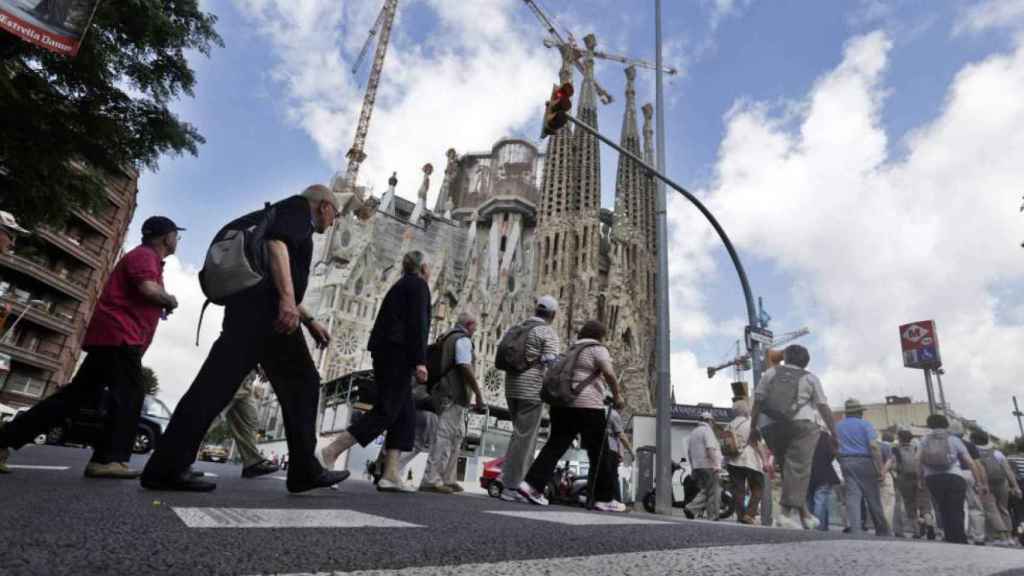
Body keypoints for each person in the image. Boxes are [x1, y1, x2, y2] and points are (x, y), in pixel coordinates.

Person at [141, 186, 346, 493]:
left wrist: (309, 319)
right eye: (336, 216)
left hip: (252, 312)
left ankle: (165, 466)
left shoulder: (281, 213)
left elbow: (270, 271)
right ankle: (304, 469)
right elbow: (277, 246)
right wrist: (289, 302)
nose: (333, 224)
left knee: (215, 387)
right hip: (266, 317)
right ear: (325, 207)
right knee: (301, 384)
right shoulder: (297, 210)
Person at [0, 216, 181, 478]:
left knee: (74, 398)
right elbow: (149, 290)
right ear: (167, 237)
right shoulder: (145, 256)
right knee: (131, 395)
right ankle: (109, 459)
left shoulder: (148, 258)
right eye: (177, 236)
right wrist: (170, 300)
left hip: (112, 337)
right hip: (119, 336)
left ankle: (5, 440)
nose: (177, 241)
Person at [317, 250, 432, 490]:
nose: (430, 272)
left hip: (386, 352)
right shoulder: (418, 286)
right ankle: (331, 451)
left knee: (404, 414)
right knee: (387, 410)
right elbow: (418, 326)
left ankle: (390, 473)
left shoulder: (400, 285)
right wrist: (420, 361)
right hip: (398, 354)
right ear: (422, 268)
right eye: (429, 267)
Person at [517, 320, 626, 513]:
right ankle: (604, 498)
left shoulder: (571, 349)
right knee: (600, 453)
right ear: (600, 336)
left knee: (554, 446)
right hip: (588, 406)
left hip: (562, 405)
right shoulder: (597, 349)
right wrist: (617, 396)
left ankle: (530, 486)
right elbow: (609, 373)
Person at [749, 345, 838, 530]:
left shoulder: (771, 373)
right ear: (806, 362)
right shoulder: (810, 378)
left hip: (770, 426)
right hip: (802, 425)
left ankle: (805, 515)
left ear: (786, 358)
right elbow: (823, 407)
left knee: (789, 468)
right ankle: (784, 514)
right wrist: (834, 433)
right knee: (799, 469)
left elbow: (757, 400)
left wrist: (753, 427)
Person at [498, 296, 561, 503]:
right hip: (531, 391)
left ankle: (507, 478)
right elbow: (553, 365)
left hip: (511, 388)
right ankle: (512, 487)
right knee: (525, 439)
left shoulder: (519, 327)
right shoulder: (547, 332)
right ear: (552, 315)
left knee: (519, 436)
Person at [418, 312, 484, 494]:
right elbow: (464, 365)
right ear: (469, 324)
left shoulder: (449, 337)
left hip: (456, 396)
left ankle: (448, 477)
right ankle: (431, 479)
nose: (476, 330)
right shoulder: (461, 340)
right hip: (452, 394)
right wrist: (478, 392)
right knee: (444, 436)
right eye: (475, 327)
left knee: (457, 436)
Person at [918, 414, 984, 544]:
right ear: (945, 424)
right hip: (954, 476)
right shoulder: (953, 439)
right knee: (957, 509)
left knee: (943, 509)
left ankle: (950, 538)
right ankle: (960, 539)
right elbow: (970, 461)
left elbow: (917, 460)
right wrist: (979, 481)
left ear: (929, 425)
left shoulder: (924, 440)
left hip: (932, 478)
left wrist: (920, 478)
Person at [835, 399, 890, 536]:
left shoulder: (838, 426)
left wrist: (841, 459)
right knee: (872, 496)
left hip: (846, 461)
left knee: (852, 497)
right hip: (864, 461)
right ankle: (882, 530)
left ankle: (855, 529)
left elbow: (834, 446)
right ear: (859, 412)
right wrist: (880, 468)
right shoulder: (866, 425)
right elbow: (873, 447)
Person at [221, 369, 279, 479]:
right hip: (236, 372)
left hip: (248, 381)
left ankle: (252, 463)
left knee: (250, 420)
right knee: (214, 415)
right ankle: (180, 457)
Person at [972, 429, 1022, 547]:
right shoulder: (997, 452)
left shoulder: (975, 453)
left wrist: (980, 484)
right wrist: (1015, 486)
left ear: (974, 440)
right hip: (1002, 483)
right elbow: (1008, 470)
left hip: (986, 484)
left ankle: (1002, 537)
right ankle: (1010, 538)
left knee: (991, 510)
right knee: (1003, 509)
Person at [725, 398, 767, 524]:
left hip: (733, 461)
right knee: (758, 487)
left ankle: (741, 515)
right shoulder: (750, 424)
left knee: (738, 489)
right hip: (750, 460)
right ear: (746, 411)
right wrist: (764, 461)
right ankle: (749, 514)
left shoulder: (728, 426)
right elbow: (758, 444)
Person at [892, 427, 935, 539]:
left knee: (910, 505)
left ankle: (917, 532)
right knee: (925, 505)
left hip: (905, 480)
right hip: (921, 478)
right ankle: (930, 526)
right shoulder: (917, 448)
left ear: (900, 439)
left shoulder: (895, 450)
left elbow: (894, 465)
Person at [686, 412, 724, 520]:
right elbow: (710, 449)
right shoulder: (707, 431)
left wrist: (693, 467)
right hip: (708, 465)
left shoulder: (694, 432)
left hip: (697, 466)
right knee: (714, 490)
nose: (713, 424)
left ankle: (691, 509)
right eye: (712, 422)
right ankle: (712, 515)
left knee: (705, 490)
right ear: (710, 421)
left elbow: (689, 452)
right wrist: (717, 464)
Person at [956, 427, 990, 544]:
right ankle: (979, 536)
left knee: (955, 508)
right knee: (974, 506)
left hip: (951, 475)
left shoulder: (946, 444)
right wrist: (982, 483)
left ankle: (957, 534)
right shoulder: (970, 445)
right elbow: (978, 465)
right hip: (968, 474)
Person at [806, 425, 841, 531]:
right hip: (823, 472)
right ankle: (819, 527)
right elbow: (832, 453)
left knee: (810, 500)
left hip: (806, 473)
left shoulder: (800, 437)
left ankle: (814, 525)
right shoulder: (824, 436)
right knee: (820, 500)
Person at [606, 406, 634, 503]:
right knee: (613, 476)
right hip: (610, 449)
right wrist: (631, 451)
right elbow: (621, 437)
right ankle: (616, 501)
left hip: (600, 447)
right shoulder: (614, 415)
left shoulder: (600, 412)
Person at [879, 431, 898, 531]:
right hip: (885, 475)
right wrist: (883, 472)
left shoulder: (877, 446)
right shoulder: (888, 447)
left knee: (881, 502)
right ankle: (887, 527)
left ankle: (880, 526)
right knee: (889, 503)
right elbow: (890, 462)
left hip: (874, 477)